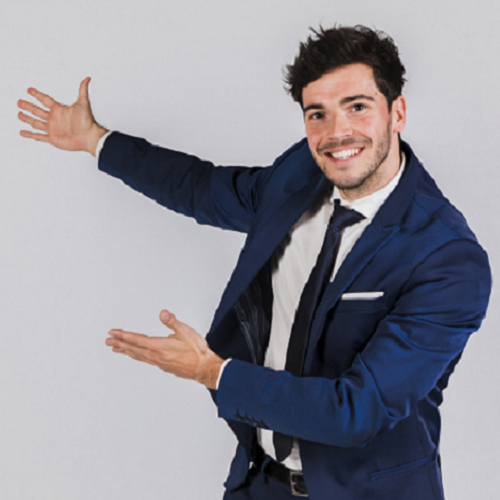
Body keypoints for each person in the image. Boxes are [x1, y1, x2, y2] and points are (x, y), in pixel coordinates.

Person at [17, 25, 491, 500]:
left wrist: (214, 373)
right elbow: (204, 189)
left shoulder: (448, 259)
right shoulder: (300, 175)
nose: (336, 133)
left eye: (357, 107)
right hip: (261, 483)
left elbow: (355, 411)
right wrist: (96, 140)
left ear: (397, 112)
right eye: (318, 114)